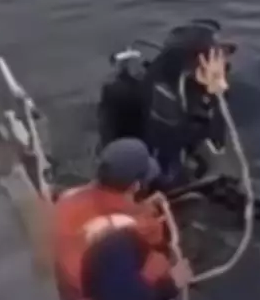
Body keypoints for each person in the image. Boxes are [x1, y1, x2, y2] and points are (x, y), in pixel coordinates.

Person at [51, 137, 194, 300]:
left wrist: (139, 208)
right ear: (135, 186)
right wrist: (171, 283)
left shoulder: (69, 198)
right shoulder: (117, 241)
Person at [96, 20, 236, 195]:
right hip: (150, 163)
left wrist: (214, 94)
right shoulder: (164, 93)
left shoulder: (182, 79)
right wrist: (214, 97)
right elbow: (201, 144)